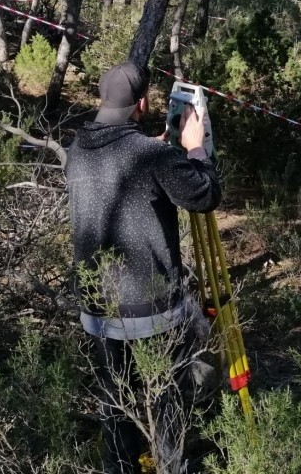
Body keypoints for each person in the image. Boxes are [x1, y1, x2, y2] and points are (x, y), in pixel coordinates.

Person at [66, 61, 221, 474]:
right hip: (150, 310)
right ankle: (172, 465)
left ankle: (120, 466)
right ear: (141, 103)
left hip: (97, 308)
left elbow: (122, 164)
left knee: (115, 400)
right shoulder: (152, 156)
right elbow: (203, 195)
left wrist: (155, 150)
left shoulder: (77, 149)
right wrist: (194, 149)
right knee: (165, 397)